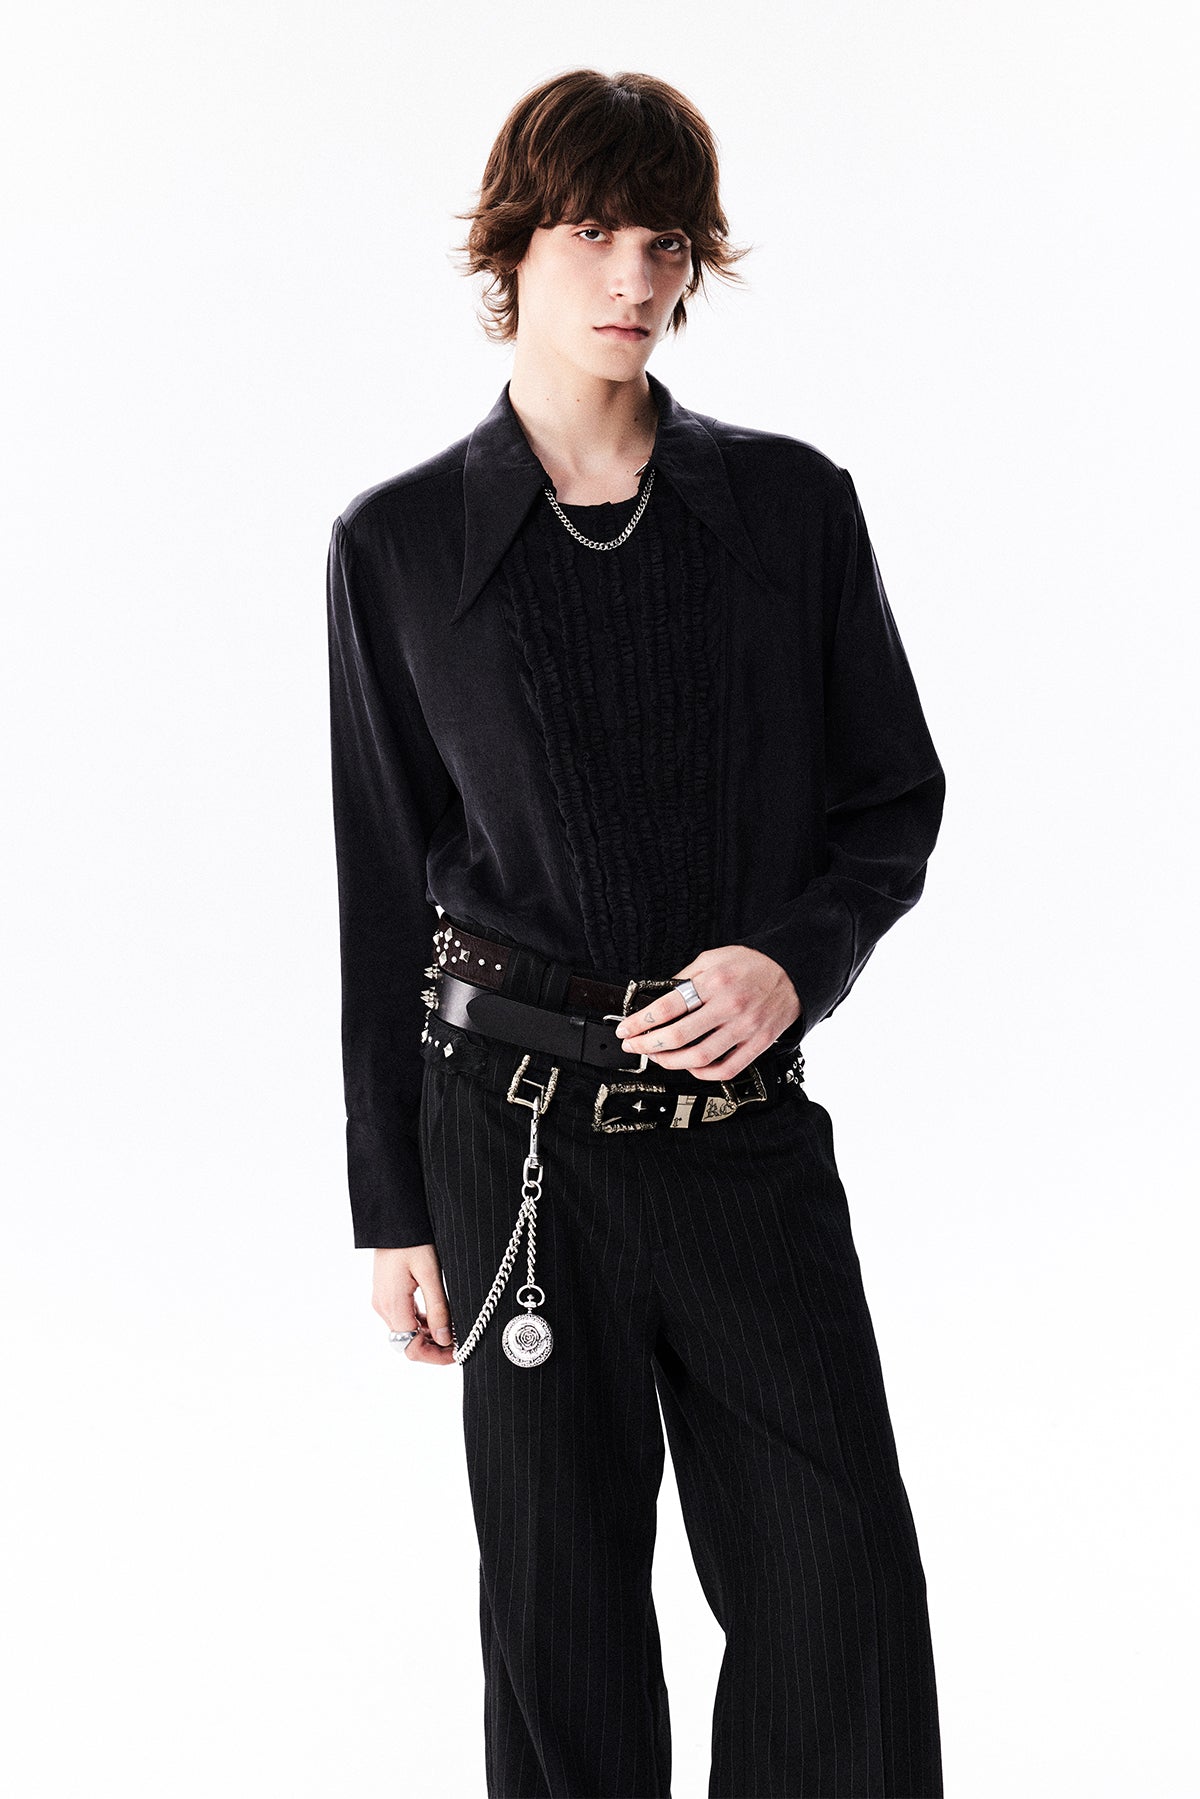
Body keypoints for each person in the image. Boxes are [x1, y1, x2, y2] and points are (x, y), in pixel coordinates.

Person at [325, 66, 946, 1799]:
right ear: (513, 246)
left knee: (839, 1592)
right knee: (562, 1619)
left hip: (741, 1133)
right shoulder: (398, 546)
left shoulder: (790, 509)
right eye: (595, 231)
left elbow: (890, 800)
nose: (635, 277)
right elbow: (380, 885)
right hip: (511, 1141)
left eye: (667, 242)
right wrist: (391, 1203)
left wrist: (791, 960)